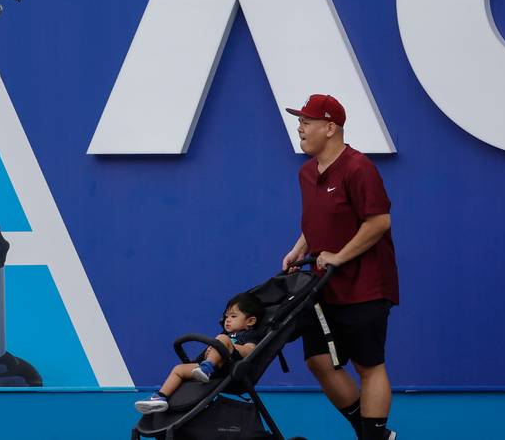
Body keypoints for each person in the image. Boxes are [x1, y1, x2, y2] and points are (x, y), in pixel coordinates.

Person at [281, 94, 399, 440]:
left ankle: (372, 436)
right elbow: (318, 220)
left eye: (307, 121)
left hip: (366, 285)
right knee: (319, 359)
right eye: (299, 121)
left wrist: (338, 255)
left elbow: (378, 222)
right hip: (323, 286)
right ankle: (370, 433)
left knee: (368, 365)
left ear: (330, 127)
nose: (300, 128)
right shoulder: (306, 172)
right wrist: (297, 248)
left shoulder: (359, 168)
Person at [134, 292, 266, 414]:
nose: (227, 320)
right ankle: (161, 397)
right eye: (226, 316)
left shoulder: (249, 335)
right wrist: (212, 350)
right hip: (209, 368)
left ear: (250, 321)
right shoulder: (224, 334)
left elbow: (250, 351)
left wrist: (228, 345)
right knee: (179, 369)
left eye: (233, 316)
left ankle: (206, 368)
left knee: (221, 339)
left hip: (229, 368)